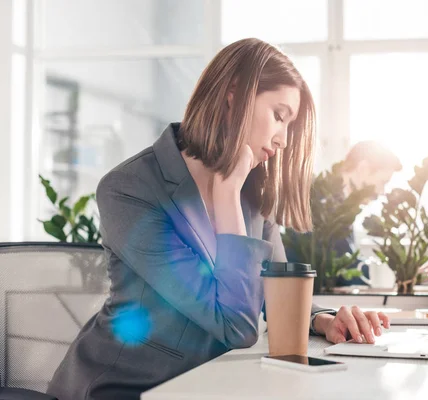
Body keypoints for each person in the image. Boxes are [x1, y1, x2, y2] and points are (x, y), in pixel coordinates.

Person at [47, 38, 390, 400]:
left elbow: (274, 294)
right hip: (124, 387)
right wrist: (225, 195)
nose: (284, 140)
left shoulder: (254, 194)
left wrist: (323, 319)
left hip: (206, 384)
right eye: (279, 115)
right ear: (233, 95)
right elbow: (236, 326)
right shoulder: (130, 189)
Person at [335, 141, 403, 286]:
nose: (382, 192)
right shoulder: (326, 210)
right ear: (363, 169)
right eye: (383, 182)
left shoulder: (341, 206)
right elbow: (344, 273)